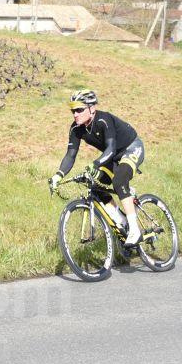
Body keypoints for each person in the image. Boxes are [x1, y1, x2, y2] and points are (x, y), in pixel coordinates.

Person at [49, 89, 145, 247]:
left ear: (91, 108)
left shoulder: (103, 120)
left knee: (119, 181)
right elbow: (70, 155)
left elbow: (111, 149)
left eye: (79, 110)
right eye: (73, 110)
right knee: (95, 186)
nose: (75, 114)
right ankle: (122, 221)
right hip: (113, 155)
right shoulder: (76, 128)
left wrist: (96, 164)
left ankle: (135, 230)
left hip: (131, 148)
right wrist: (58, 175)